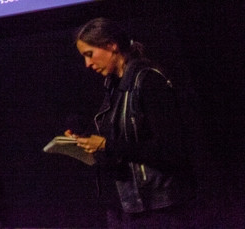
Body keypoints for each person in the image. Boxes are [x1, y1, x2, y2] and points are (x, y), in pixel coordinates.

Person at [67, 18, 197, 228]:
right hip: (126, 207)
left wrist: (107, 145)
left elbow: (171, 149)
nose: (87, 64)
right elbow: (120, 140)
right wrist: (86, 141)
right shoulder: (113, 86)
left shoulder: (148, 81)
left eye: (89, 54)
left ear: (111, 45)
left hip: (159, 208)